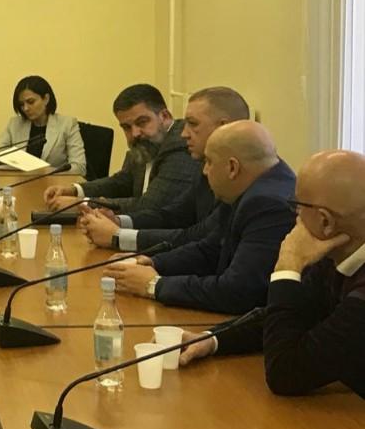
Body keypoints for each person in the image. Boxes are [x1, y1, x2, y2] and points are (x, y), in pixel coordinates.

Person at [177, 150, 365, 398]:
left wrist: (287, 267)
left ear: (325, 222)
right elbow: (291, 314)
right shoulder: (336, 254)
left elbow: (286, 372)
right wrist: (211, 340)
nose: (294, 215)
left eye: (297, 205)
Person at [104, 121, 296, 314]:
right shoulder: (247, 187)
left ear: (232, 168)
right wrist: (153, 263)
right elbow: (210, 249)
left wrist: (154, 285)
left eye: (209, 162)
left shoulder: (268, 204)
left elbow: (239, 291)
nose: (204, 171)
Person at [79, 87, 250, 251]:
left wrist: (118, 236)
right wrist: (118, 221)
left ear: (223, 127)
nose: (184, 134)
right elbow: (173, 215)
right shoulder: (206, 167)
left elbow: (197, 237)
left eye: (192, 124)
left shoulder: (246, 184)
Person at [43, 83, 201, 214]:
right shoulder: (145, 145)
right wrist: (74, 190)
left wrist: (81, 203)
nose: (135, 133)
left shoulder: (181, 145)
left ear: (165, 116)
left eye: (142, 122)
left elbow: (150, 206)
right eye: (126, 127)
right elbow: (121, 182)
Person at [0, 75, 86, 175]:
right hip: (21, 181)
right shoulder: (15, 124)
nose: (25, 108)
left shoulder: (67, 124)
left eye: (30, 102)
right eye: (22, 104)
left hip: (53, 182)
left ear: (46, 99)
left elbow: (79, 168)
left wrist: (45, 171)